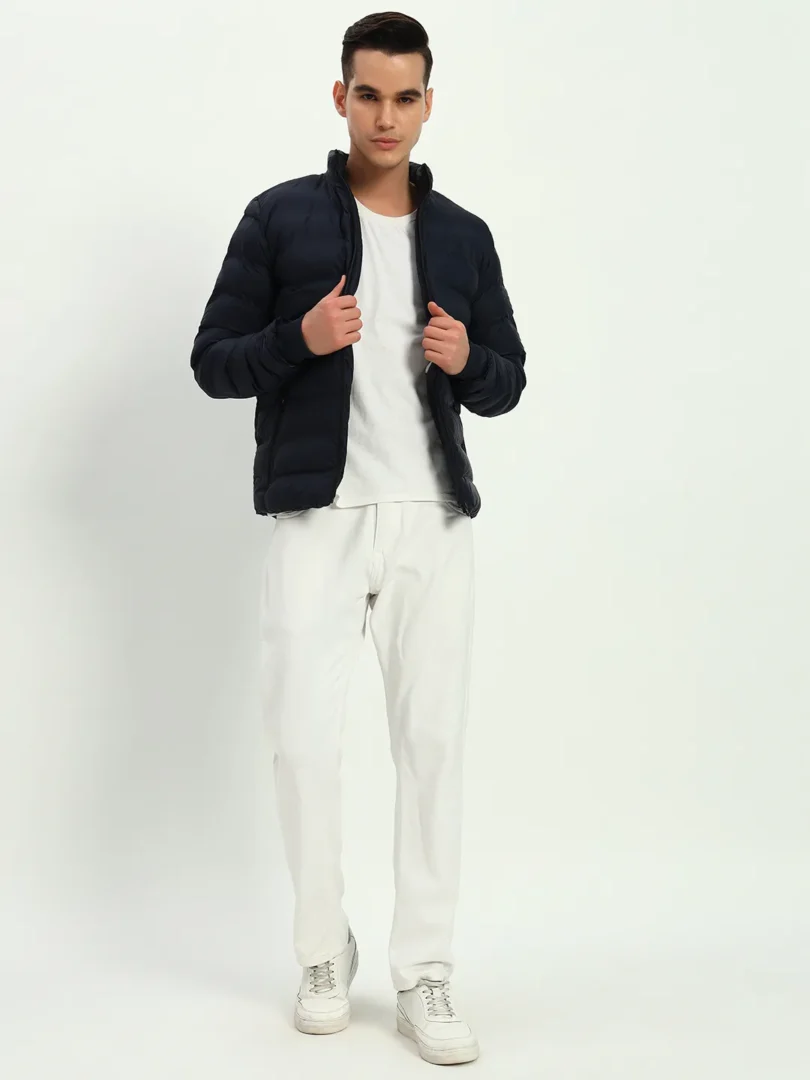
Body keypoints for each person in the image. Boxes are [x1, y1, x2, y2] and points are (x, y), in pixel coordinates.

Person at [190, 11, 526, 1067]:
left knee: (432, 749)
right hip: (317, 515)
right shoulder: (280, 217)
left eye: (405, 96)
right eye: (369, 94)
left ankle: (424, 969)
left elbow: (509, 381)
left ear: (429, 103)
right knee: (301, 741)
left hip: (430, 517)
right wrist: (298, 338)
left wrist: (469, 359)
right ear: (341, 98)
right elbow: (212, 359)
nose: (387, 115)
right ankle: (321, 949)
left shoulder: (464, 235)